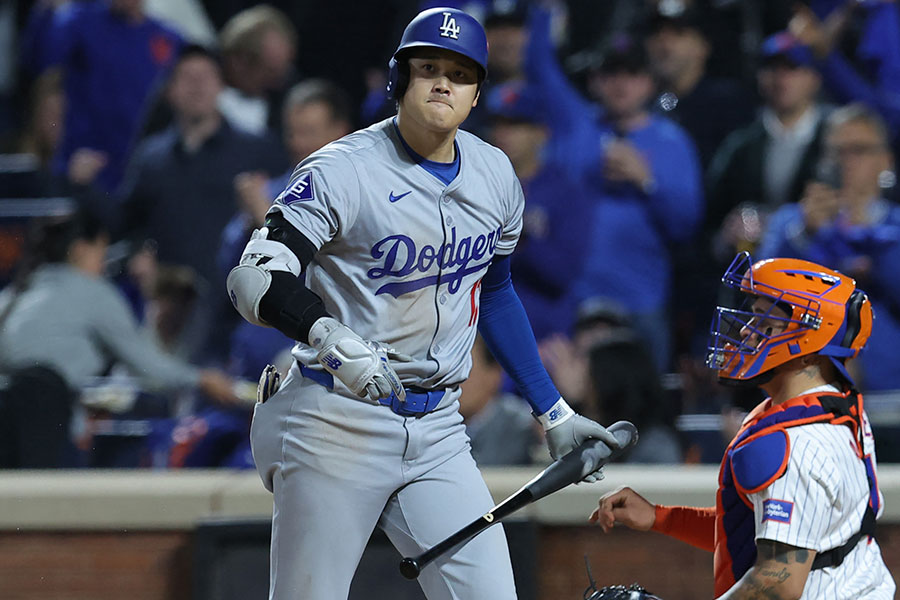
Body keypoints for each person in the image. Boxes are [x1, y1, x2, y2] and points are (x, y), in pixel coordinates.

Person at [228, 8, 620, 599]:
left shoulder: (495, 173)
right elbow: (254, 279)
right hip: (336, 417)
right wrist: (329, 337)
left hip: (438, 426)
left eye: (460, 74)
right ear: (398, 80)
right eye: (428, 67)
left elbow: (495, 289)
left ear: (476, 93)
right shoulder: (343, 169)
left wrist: (553, 409)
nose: (443, 82)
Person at [590, 252, 895, 599]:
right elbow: (766, 528)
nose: (746, 332)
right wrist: (662, 517)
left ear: (811, 343)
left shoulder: (796, 442)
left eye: (765, 321)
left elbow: (779, 582)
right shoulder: (834, 405)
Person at [0, 209, 240, 468]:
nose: (104, 263)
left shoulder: (11, 295)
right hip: (46, 430)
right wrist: (202, 379)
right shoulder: (92, 292)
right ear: (81, 249)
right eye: (101, 251)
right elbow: (149, 369)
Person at [758, 103, 900, 391]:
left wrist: (868, 239)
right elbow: (763, 290)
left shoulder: (895, 225)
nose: (845, 161)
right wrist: (807, 236)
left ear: (885, 160)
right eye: (836, 151)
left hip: (888, 386)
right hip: (808, 387)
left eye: (858, 150)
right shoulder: (791, 223)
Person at [458, 336, 544, 466]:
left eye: (463, 370)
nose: (451, 382)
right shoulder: (434, 426)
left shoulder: (526, 428)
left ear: (494, 374)